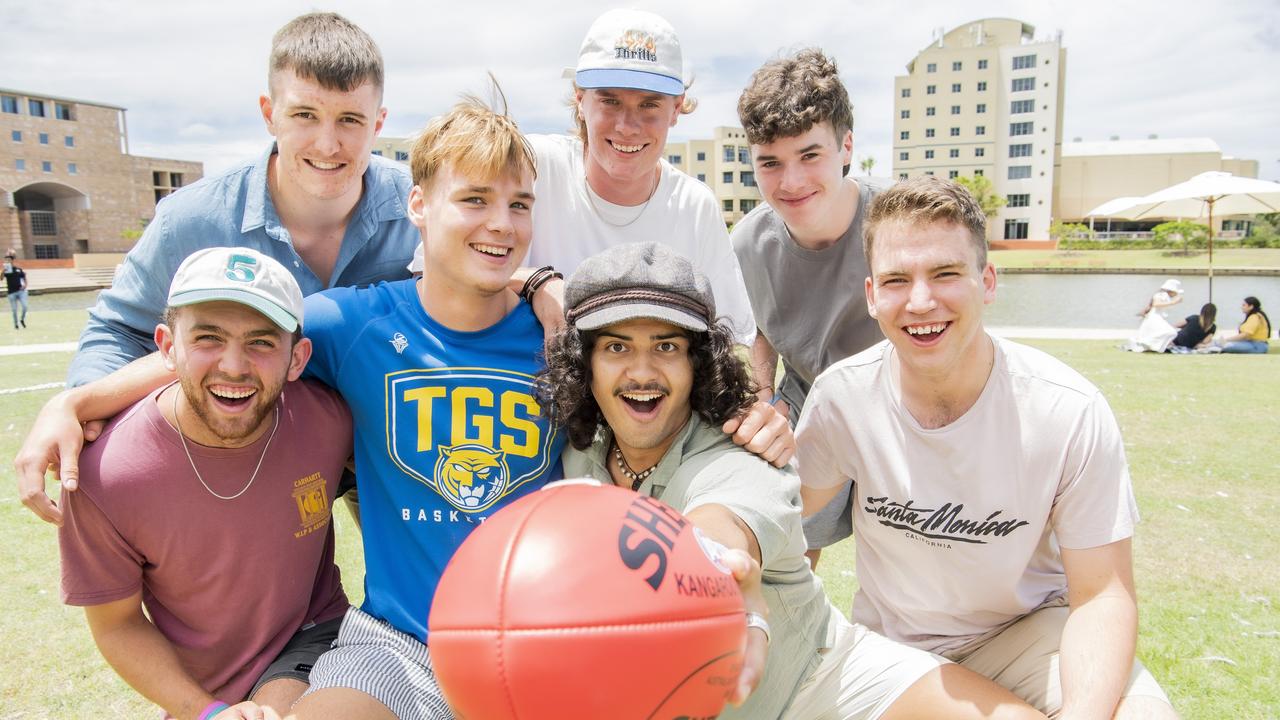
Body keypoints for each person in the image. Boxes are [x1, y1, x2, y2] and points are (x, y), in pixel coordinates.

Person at [540, 242, 1045, 719]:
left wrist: (724, 577)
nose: (642, 370)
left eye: (667, 346)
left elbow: (721, 530)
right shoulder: (582, 448)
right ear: (584, 363)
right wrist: (535, 281)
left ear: (697, 363)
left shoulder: (747, 449)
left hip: (825, 680)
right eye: (617, 347)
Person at [795, 177, 1178, 719]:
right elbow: (780, 516)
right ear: (872, 296)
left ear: (988, 280)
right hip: (895, 647)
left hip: (1026, 631)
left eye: (946, 273)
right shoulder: (842, 397)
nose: (921, 301)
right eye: (897, 280)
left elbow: (1103, 594)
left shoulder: (1068, 409)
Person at [59, 247, 351, 720]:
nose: (233, 367)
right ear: (167, 347)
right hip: (200, 683)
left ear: (297, 359)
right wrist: (206, 711)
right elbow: (118, 624)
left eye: (261, 342)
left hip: (314, 634)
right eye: (208, 338)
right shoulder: (105, 475)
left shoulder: (330, 419)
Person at [67, 11, 418, 389]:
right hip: (242, 438)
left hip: (389, 440)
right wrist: (83, 416)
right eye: (305, 115)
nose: (327, 144)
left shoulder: (427, 211)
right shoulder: (190, 219)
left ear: (378, 124)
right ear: (270, 114)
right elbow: (118, 331)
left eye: (350, 119)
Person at [511, 9, 757, 348]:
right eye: (610, 101)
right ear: (581, 99)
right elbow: (444, 272)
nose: (627, 126)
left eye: (649, 105)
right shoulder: (531, 167)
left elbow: (732, 340)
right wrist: (534, 281)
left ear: (676, 109)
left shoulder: (694, 206)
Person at [730, 48, 884, 559]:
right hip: (805, 391)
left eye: (810, 155)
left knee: (906, 551)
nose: (791, 182)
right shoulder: (748, 242)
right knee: (785, 539)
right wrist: (760, 395)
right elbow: (763, 327)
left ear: (846, 147)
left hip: (897, 395)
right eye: (770, 163)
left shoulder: (897, 224)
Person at [1124, 278, 1183, 353]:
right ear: (1172, 290)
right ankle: (1146, 342)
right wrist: (1174, 302)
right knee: (1171, 332)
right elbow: (1156, 304)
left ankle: (1151, 346)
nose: (1176, 294)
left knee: (1168, 333)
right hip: (1155, 318)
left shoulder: (1164, 296)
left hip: (1157, 318)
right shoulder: (1161, 295)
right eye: (1176, 292)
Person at [4, 249, 28, 329]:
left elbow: (24, 277)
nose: (9, 260)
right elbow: (1, 278)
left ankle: (22, 319)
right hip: (11, 292)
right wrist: (3, 271)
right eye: (7, 259)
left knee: (25, 307)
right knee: (14, 310)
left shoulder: (18, 269)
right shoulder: (6, 270)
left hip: (21, 291)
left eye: (11, 259)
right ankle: (16, 324)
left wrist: (25, 285)